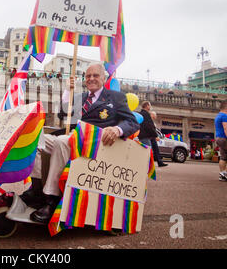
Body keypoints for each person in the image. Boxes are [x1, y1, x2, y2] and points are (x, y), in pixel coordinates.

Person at [23, 63, 140, 224]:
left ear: (104, 78)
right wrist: (67, 90)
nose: (91, 79)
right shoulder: (81, 97)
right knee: (36, 138)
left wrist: (117, 130)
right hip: (73, 136)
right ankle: (37, 190)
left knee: (62, 142)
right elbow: (63, 112)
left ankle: (51, 199)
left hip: (96, 144)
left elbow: (132, 122)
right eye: (88, 76)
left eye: (95, 75)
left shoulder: (116, 97)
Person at [137, 102, 168, 167]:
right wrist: (155, 135)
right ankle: (145, 167)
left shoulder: (140, 114)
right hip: (146, 135)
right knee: (147, 152)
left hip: (143, 135)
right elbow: (149, 126)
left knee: (146, 151)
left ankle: (147, 166)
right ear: (147, 106)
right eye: (149, 105)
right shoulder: (146, 114)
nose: (150, 107)